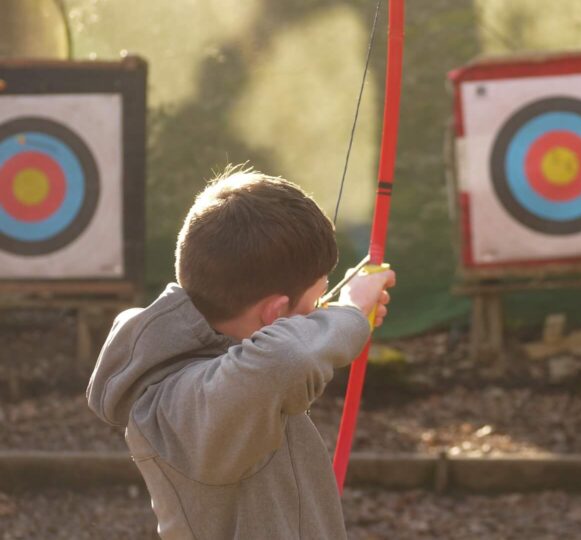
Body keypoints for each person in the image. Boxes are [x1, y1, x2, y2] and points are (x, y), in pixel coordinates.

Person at [86, 167, 396, 539]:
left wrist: (327, 315)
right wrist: (350, 314)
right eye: (315, 303)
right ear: (274, 313)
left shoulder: (228, 369)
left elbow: (271, 358)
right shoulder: (181, 409)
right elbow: (284, 360)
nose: (318, 313)